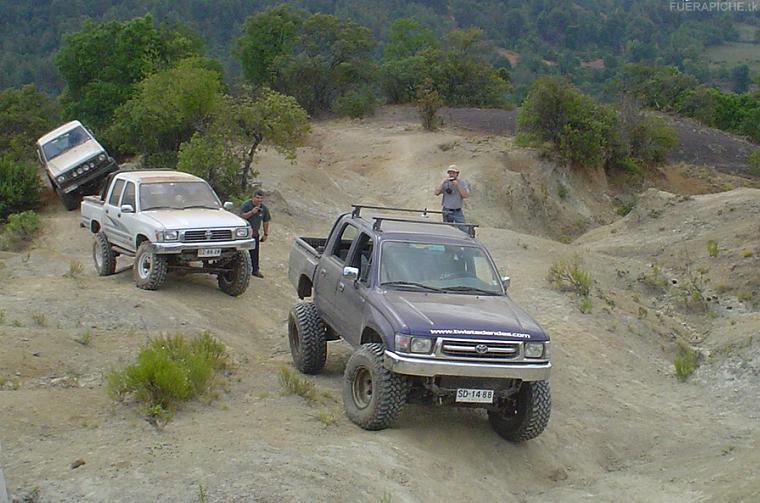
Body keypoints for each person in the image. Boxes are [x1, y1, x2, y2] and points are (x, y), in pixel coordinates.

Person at [239, 189, 271, 278]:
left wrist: (265, 234)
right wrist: (252, 212)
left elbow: (266, 221)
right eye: (257, 198)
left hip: (255, 234)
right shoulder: (246, 205)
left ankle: (255, 270)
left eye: (261, 198)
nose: (259, 200)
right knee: (239, 252)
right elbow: (241, 216)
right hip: (244, 234)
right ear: (253, 197)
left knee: (255, 253)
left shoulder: (264, 208)